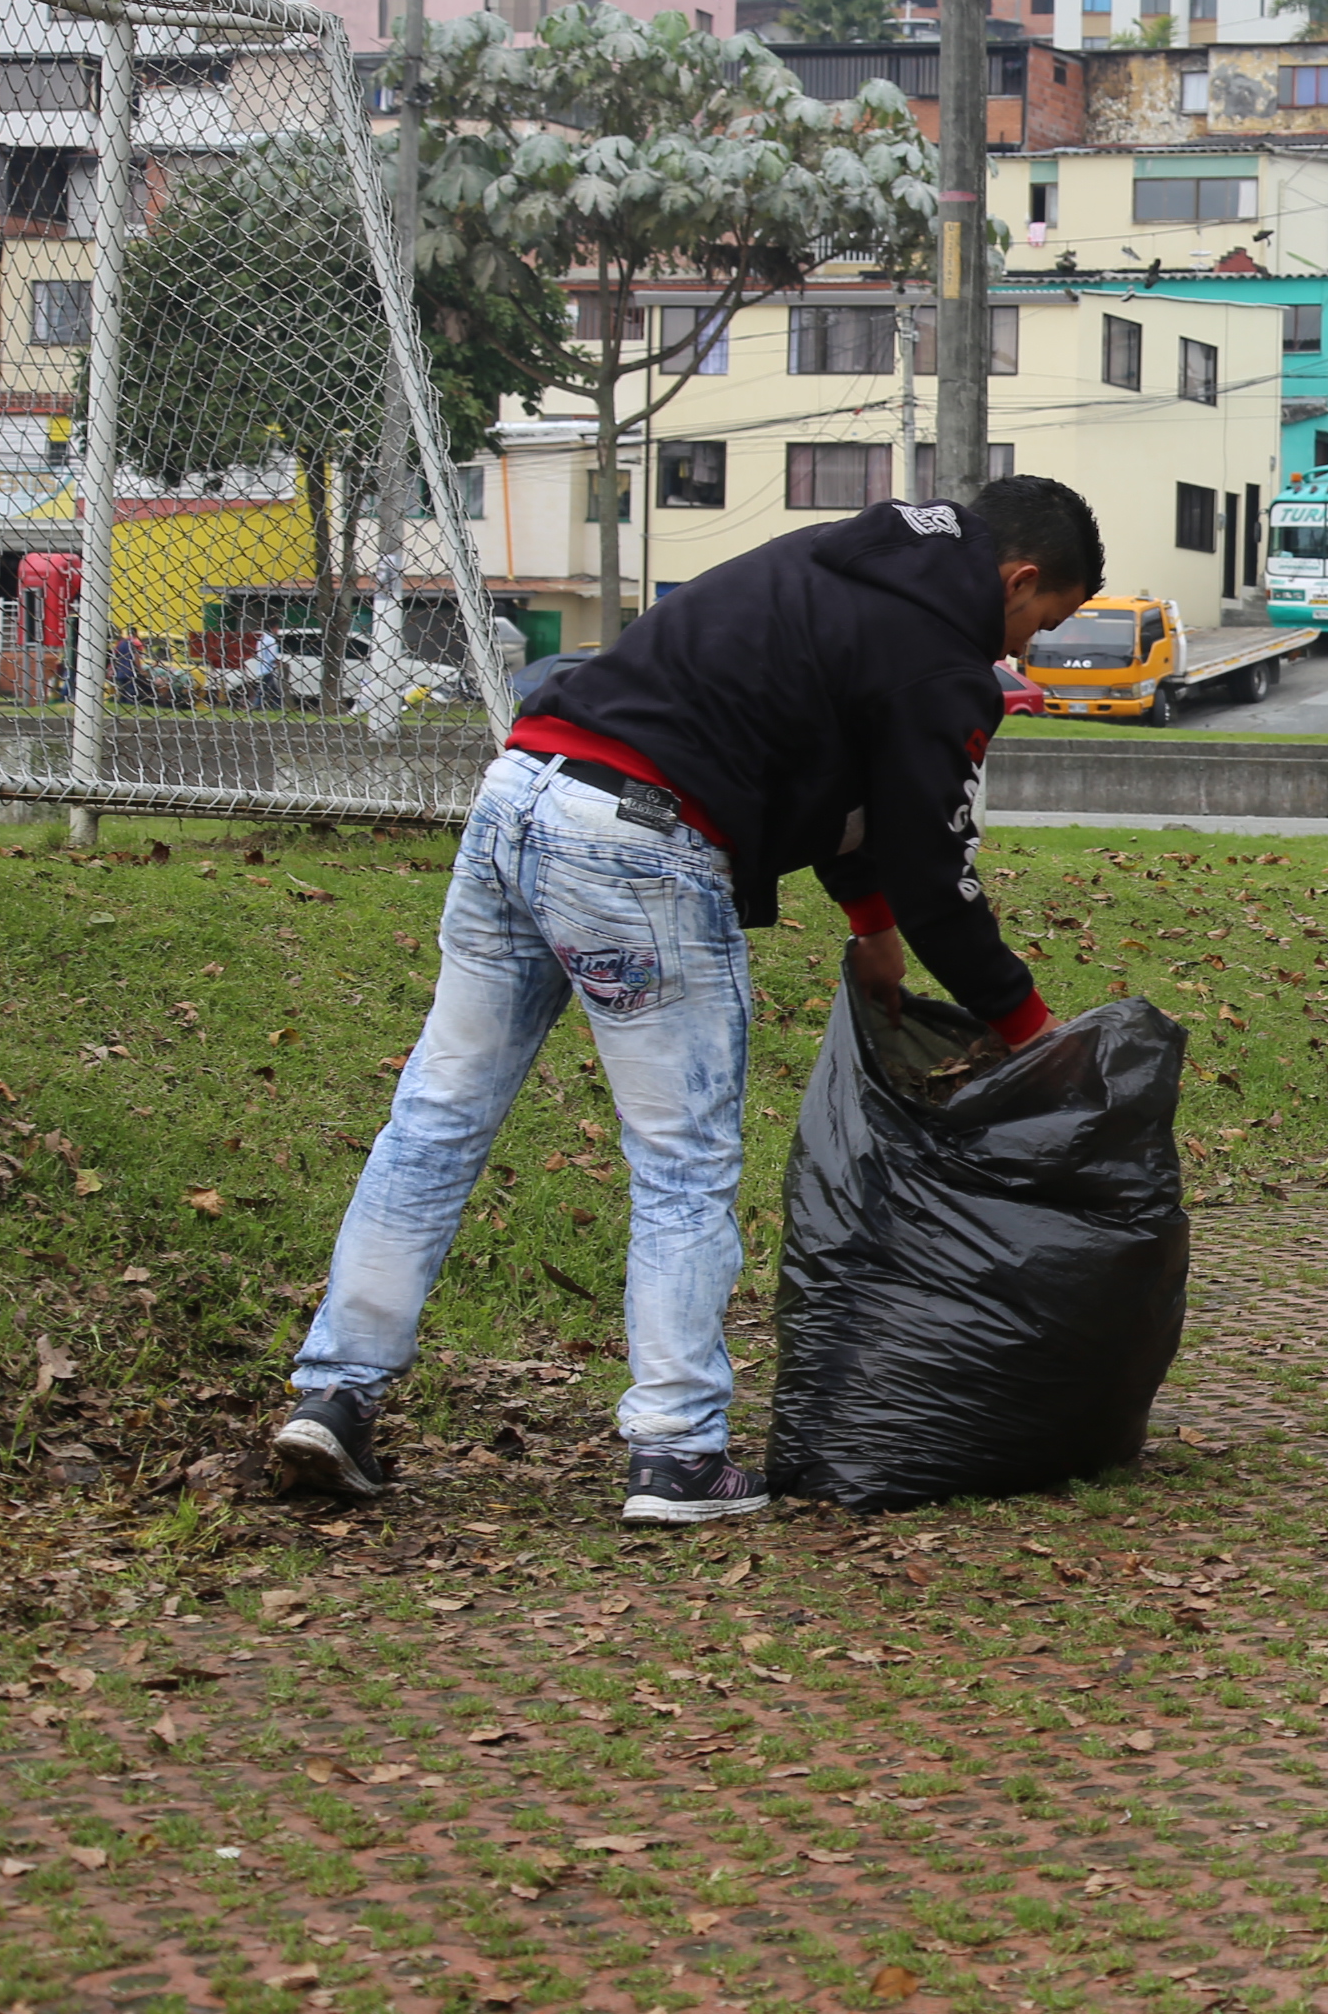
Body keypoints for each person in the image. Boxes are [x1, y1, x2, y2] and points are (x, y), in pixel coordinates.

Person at [269, 478, 1106, 1525]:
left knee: (437, 1118)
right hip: (639, 842)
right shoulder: (943, 659)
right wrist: (1032, 1030)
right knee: (683, 1159)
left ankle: (336, 1395)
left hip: (520, 793)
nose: (1026, 650)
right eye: (1042, 622)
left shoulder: (843, 560)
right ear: (1019, 579)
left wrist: (870, 928)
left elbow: (838, 770)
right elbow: (936, 868)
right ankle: (676, 1449)